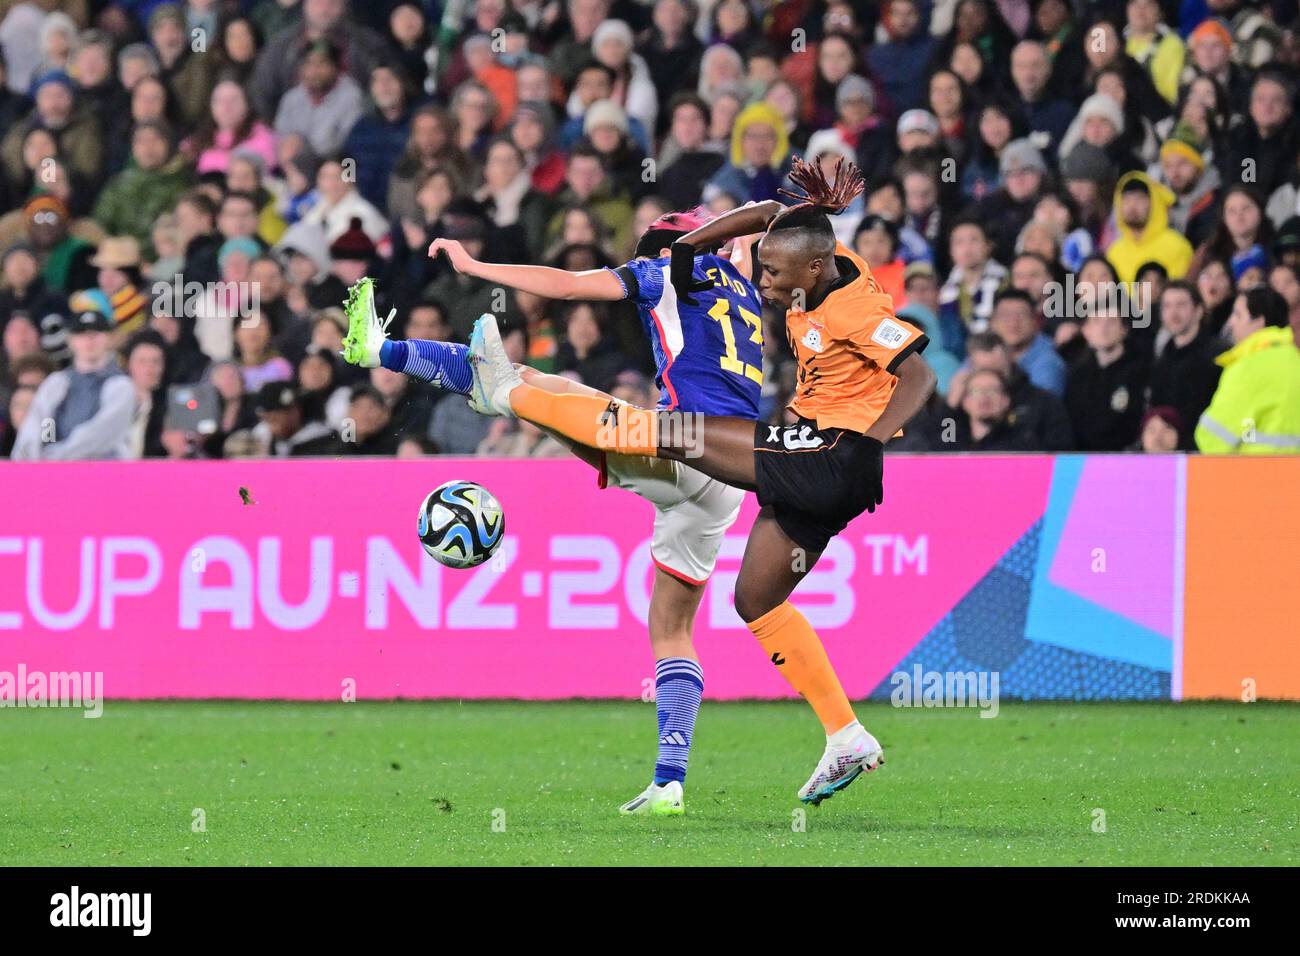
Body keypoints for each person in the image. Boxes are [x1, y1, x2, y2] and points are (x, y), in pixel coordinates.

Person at [431, 160, 936, 804]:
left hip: (830, 454)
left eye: (776, 278)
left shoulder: (857, 308)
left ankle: (507, 391)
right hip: (818, 466)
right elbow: (765, 221)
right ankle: (846, 735)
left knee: (676, 434)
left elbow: (919, 376)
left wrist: (868, 440)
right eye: (766, 272)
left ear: (813, 270)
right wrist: (695, 244)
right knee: (756, 602)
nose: (768, 288)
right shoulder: (813, 255)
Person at [343, 207, 766, 815]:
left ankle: (501, 394)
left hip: (681, 442)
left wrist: (474, 264)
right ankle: (669, 782)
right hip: (730, 474)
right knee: (671, 627)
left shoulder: (669, 270)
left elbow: (566, 285)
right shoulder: (746, 286)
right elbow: (745, 236)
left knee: (540, 395)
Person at [11, 294, 136, 460]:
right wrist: (36, 450)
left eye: (97, 333)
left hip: (105, 473)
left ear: (109, 338)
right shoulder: (57, 383)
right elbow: (44, 423)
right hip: (55, 473)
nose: (89, 340)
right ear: (71, 340)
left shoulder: (120, 384)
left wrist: (56, 455)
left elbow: (102, 434)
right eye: (81, 333)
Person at [1195, 288, 1300, 455]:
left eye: (1238, 315)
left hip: (1257, 472)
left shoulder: (1248, 366)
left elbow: (1214, 437)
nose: (1231, 322)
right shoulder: (1295, 360)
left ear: (1259, 321)